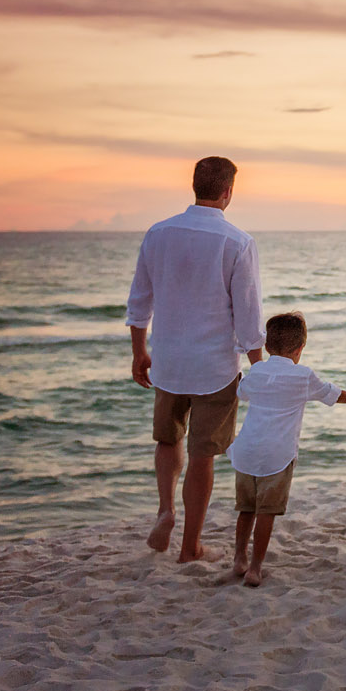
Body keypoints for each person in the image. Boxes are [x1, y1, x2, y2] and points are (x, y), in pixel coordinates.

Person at [125, 156, 264, 564]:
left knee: (169, 439)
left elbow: (139, 301)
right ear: (228, 192)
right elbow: (248, 316)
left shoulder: (158, 233)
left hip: (168, 361)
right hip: (215, 367)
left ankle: (165, 508)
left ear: (194, 186)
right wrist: (262, 366)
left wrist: (139, 352)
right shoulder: (237, 241)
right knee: (203, 454)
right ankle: (190, 546)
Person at [227, 312, 346, 587]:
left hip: (246, 451)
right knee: (266, 511)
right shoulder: (302, 376)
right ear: (301, 348)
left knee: (246, 508)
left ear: (267, 347)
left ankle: (240, 558)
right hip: (277, 456)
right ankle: (255, 568)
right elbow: (331, 394)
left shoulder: (259, 371)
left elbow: (241, 392)